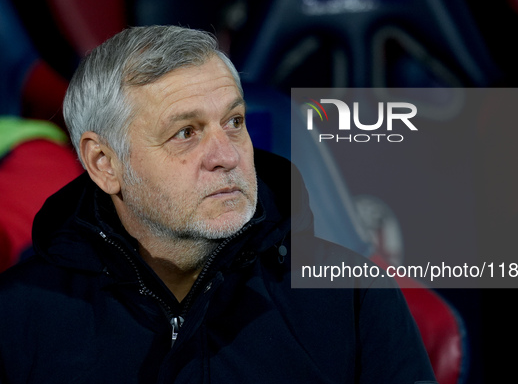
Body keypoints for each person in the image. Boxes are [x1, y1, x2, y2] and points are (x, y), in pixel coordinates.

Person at [0, 25, 436, 383]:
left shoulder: (351, 295)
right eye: (186, 132)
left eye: (234, 121)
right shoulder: (17, 315)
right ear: (103, 163)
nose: (227, 156)